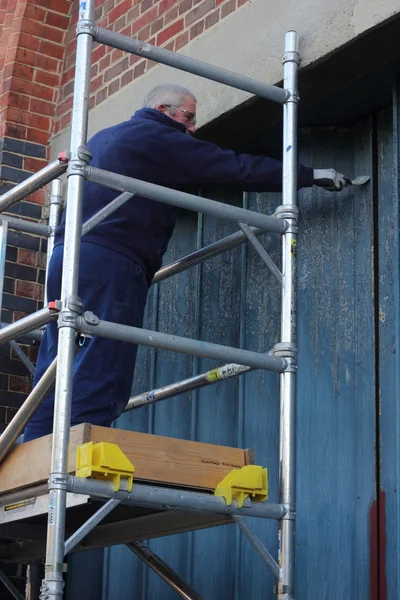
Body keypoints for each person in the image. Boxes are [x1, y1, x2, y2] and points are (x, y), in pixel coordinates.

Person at [23, 84, 351, 442]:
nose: (193, 128)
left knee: (58, 358)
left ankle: (36, 457)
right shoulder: (158, 136)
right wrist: (307, 175)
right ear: (164, 109)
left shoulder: (105, 139)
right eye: (189, 118)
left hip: (66, 256)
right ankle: (69, 465)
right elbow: (233, 167)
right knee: (103, 359)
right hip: (111, 260)